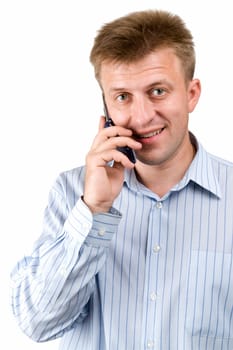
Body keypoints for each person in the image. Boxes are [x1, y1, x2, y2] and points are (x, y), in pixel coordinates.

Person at [10, 9, 233, 350]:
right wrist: (94, 209)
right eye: (123, 97)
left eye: (158, 91)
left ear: (191, 94)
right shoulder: (73, 193)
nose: (142, 117)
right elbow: (38, 323)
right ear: (106, 106)